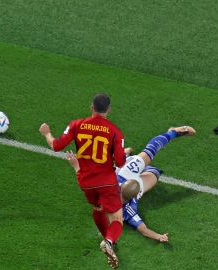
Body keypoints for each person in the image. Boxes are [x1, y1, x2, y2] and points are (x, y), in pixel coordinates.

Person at [65, 126, 196, 243]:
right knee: (154, 171)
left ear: (120, 187)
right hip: (133, 178)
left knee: (147, 154)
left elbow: (87, 181)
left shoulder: (111, 191)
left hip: (126, 172)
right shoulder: (129, 209)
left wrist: (76, 165)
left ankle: (169, 133)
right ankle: (126, 155)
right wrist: (158, 236)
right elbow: (143, 229)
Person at [39, 93, 126, 269]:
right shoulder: (115, 131)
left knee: (98, 209)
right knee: (117, 219)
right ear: (108, 109)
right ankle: (109, 241)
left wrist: (47, 133)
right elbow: (121, 162)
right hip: (107, 181)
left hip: (86, 181)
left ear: (91, 107)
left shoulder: (77, 125)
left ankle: (108, 241)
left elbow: (56, 146)